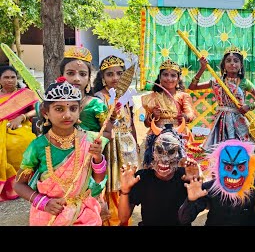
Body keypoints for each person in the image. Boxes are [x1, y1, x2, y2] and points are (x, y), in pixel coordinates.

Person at [13, 77, 109, 226]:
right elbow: (19, 185)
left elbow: (98, 179)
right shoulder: (38, 146)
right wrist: (44, 202)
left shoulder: (90, 140)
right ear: (45, 113)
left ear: (79, 111)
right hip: (49, 215)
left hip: (84, 214)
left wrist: (97, 157)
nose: (67, 115)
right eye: (59, 109)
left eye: (73, 108)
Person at [178, 139, 255, 226]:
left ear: (248, 167)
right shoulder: (209, 188)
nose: (234, 173)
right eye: (228, 167)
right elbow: (184, 219)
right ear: (218, 168)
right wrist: (191, 201)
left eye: (241, 167)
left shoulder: (254, 187)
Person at [117, 124, 200, 226]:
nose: (164, 159)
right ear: (152, 152)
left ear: (179, 154)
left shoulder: (185, 177)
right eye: (159, 151)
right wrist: (125, 191)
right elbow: (123, 218)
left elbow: (192, 215)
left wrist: (195, 183)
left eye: (171, 152)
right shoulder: (142, 178)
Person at [188, 46, 255, 151]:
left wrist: (249, 106)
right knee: (219, 150)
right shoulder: (217, 81)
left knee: (245, 149)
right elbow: (192, 87)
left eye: (236, 61)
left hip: (239, 119)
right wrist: (202, 68)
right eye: (228, 61)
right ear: (224, 65)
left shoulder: (244, 82)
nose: (232, 63)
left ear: (241, 65)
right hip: (222, 120)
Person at [93, 55, 140, 226]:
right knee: (112, 184)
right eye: (110, 74)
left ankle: (124, 218)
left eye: (120, 73)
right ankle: (112, 221)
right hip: (110, 145)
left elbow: (132, 122)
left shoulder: (128, 95)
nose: (116, 78)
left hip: (128, 143)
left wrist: (136, 143)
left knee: (127, 184)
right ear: (102, 78)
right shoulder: (99, 98)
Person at [0, 66, 37, 201]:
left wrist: (21, 117)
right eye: (6, 77)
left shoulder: (25, 94)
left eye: (13, 77)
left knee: (21, 142)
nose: (10, 80)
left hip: (20, 124)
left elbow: (37, 109)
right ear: (0, 80)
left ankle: (23, 181)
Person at [141, 59, 195, 143]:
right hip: (157, 135)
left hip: (179, 134)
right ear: (160, 77)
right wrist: (153, 116)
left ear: (178, 79)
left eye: (173, 75)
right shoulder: (152, 97)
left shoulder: (184, 96)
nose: (169, 78)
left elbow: (190, 114)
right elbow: (146, 124)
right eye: (165, 74)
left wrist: (186, 117)